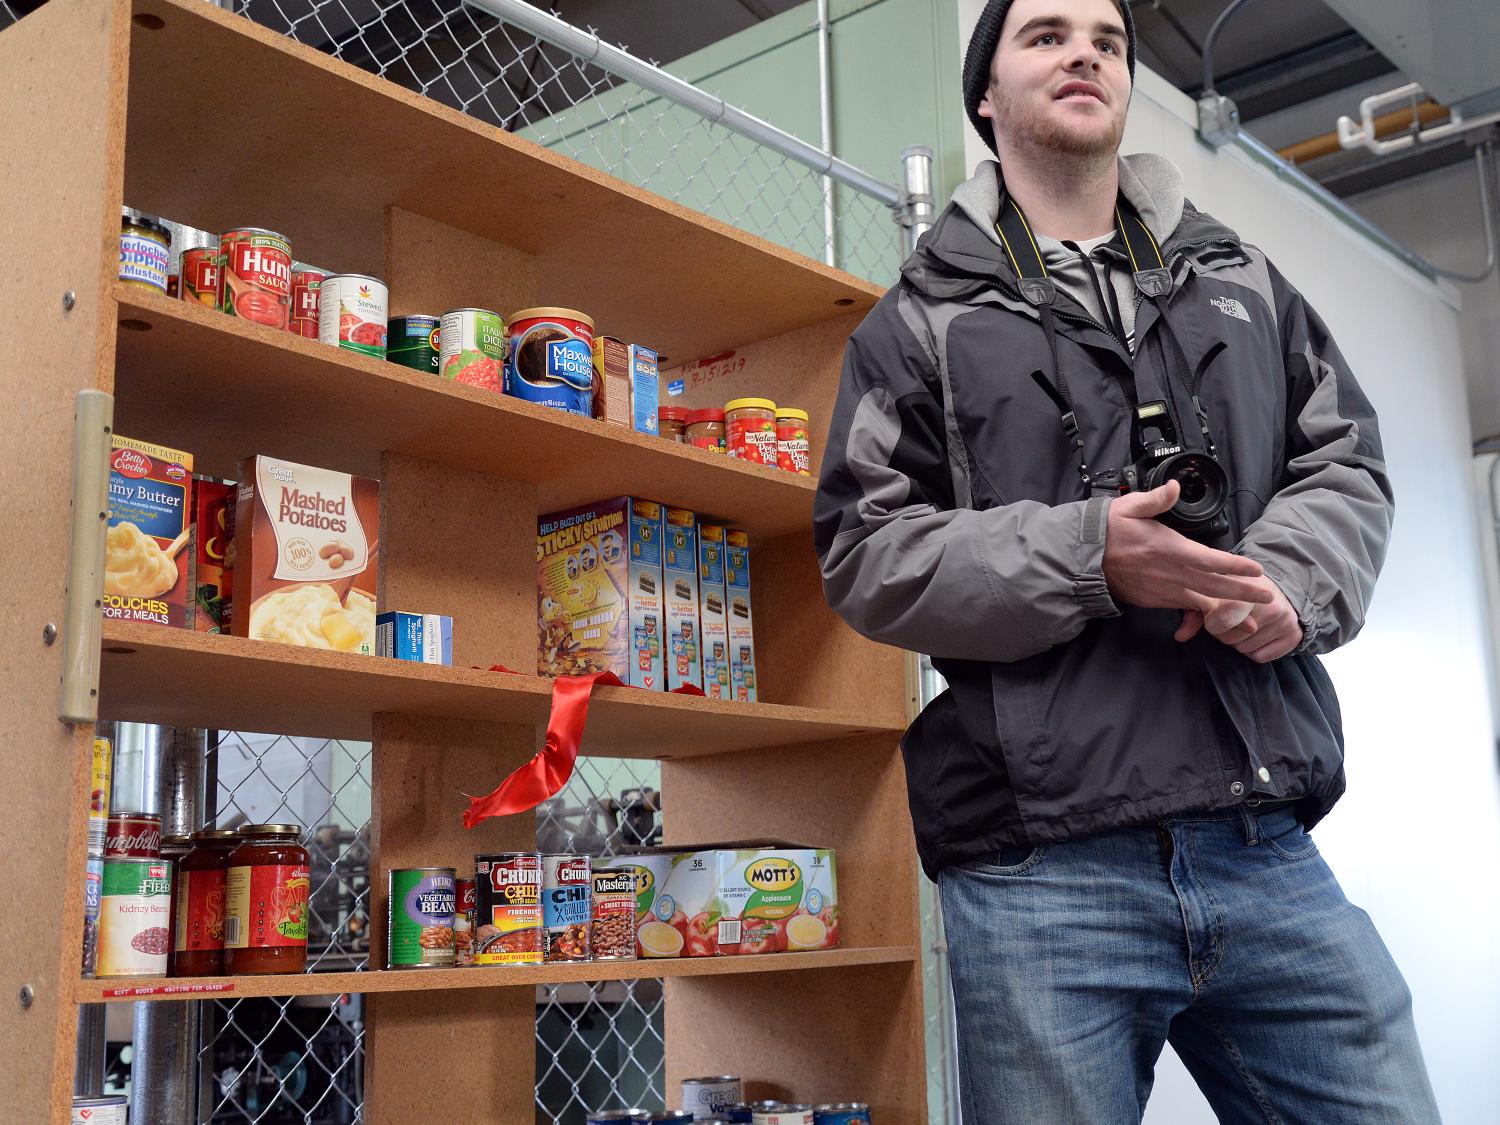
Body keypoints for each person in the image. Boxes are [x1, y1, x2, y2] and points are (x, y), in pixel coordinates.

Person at [813, 0, 1443, 1120]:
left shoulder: (1241, 279)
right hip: (1040, 871)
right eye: (1046, 35)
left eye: (1107, 39)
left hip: (1264, 843)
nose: (1086, 54)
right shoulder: (918, 322)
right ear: (986, 95)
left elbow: (1347, 462)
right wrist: (1090, 556)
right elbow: (868, 552)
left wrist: (1288, 586)